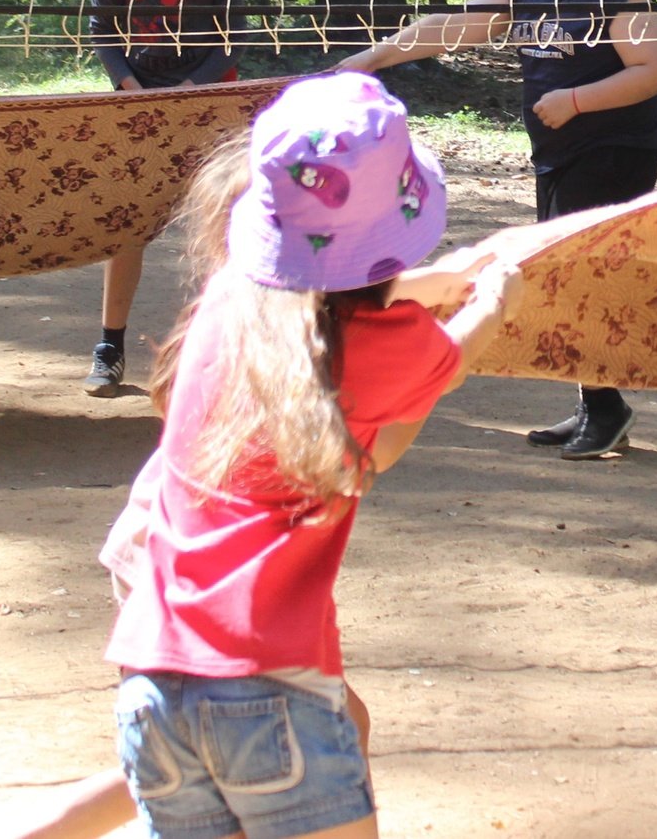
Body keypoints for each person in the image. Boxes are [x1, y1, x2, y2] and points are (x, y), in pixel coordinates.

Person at [100, 70, 522, 839]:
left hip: (152, 686)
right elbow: (439, 366)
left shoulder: (232, 299)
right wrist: (491, 306)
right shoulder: (387, 345)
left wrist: (436, 282)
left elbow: (326, 287)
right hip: (272, 690)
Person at [339, 0, 657, 460]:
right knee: (565, 273)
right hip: (559, 153)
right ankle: (597, 405)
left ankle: (606, 405)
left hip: (615, 148)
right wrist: (374, 56)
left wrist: (576, 101)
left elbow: (656, 68)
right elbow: (450, 27)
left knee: (575, 273)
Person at [82, 0, 238, 395]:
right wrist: (129, 86)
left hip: (202, 103)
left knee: (222, 225)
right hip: (136, 104)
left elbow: (234, 34)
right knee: (128, 223)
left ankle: (224, 353)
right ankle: (110, 347)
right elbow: (101, 28)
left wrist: (196, 88)